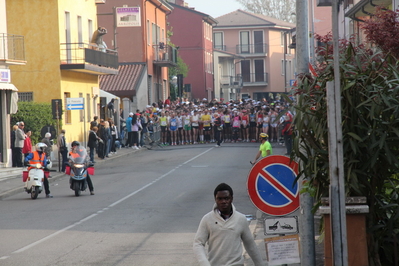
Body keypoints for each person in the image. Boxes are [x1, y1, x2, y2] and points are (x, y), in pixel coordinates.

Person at [193, 183, 264, 266]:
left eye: (226, 198)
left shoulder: (240, 219)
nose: (223, 201)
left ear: (231, 199)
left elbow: (250, 245)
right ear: (215, 199)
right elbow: (198, 243)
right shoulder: (207, 219)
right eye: (220, 199)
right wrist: (204, 263)